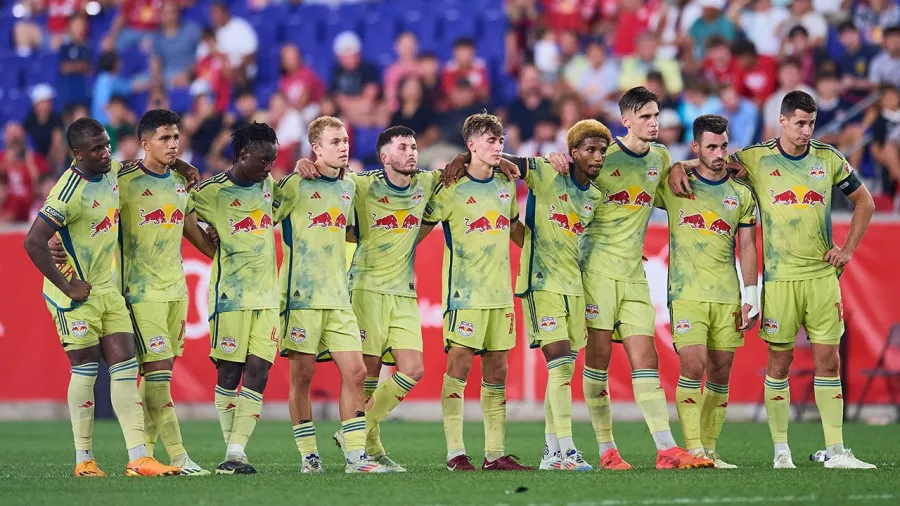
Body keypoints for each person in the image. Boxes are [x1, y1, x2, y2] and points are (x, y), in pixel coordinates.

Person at [668, 91, 877, 469]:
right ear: (782, 120)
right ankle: (782, 452)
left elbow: (866, 201)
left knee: (829, 363)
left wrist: (846, 249)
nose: (806, 130)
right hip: (779, 280)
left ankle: (835, 451)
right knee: (778, 365)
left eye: (811, 123)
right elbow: (712, 161)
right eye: (799, 122)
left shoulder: (828, 159)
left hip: (821, 276)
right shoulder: (756, 158)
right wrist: (677, 166)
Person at [22, 117, 180, 478]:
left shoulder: (111, 173)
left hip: (106, 289)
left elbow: (141, 163)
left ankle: (138, 458)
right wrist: (68, 287)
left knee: (124, 368)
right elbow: (32, 241)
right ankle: (84, 460)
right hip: (73, 297)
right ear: (77, 154)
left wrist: (182, 165)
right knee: (86, 370)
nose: (105, 152)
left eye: (107, 144)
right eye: (96, 149)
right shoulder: (67, 191)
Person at [579, 87, 714, 470]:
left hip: (633, 275)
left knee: (647, 359)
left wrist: (682, 165)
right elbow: (569, 192)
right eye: (646, 117)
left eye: (657, 116)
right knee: (598, 361)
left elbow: (663, 186)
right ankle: (607, 450)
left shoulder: (661, 156)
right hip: (597, 273)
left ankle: (666, 449)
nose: (654, 123)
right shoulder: (602, 157)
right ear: (626, 121)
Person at [273, 116, 390, 473]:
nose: (344, 147)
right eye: (335, 142)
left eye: (346, 141)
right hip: (300, 297)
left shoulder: (350, 186)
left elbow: (353, 231)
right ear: (316, 148)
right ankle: (309, 455)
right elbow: (263, 216)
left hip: (338, 297)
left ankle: (355, 457)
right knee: (302, 377)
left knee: (356, 372)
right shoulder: (294, 184)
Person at [419, 113, 530, 471]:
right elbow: (419, 230)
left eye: (501, 140)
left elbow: (514, 227)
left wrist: (543, 251)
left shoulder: (505, 183)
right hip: (463, 296)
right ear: (471, 146)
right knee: (459, 369)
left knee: (498, 372)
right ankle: (455, 453)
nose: (498, 147)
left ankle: (494, 454)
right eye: (490, 140)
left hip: (501, 295)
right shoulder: (450, 188)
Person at [655, 115, 759, 469]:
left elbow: (747, 247)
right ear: (696, 147)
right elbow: (639, 188)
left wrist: (751, 295)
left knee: (720, 370)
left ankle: (710, 450)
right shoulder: (675, 185)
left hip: (727, 294)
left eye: (723, 146)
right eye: (711, 146)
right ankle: (694, 448)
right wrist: (675, 167)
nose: (718, 153)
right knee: (693, 364)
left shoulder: (741, 193)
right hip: (686, 292)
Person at [511, 119, 610, 471]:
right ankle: (566, 451)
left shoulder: (595, 196)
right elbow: (505, 162)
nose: (597, 156)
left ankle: (552, 452)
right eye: (590, 149)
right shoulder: (546, 172)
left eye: (602, 150)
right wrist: (540, 156)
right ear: (573, 153)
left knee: (563, 369)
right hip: (542, 283)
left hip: (573, 287)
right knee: (562, 366)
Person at [193, 122, 281, 475]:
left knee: (259, 371)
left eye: (273, 160)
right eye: (263, 160)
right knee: (230, 372)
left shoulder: (268, 186)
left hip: (267, 297)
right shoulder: (212, 192)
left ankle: (235, 451)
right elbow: (178, 214)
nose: (269, 167)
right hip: (230, 297)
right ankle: (233, 454)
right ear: (244, 154)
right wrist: (205, 244)